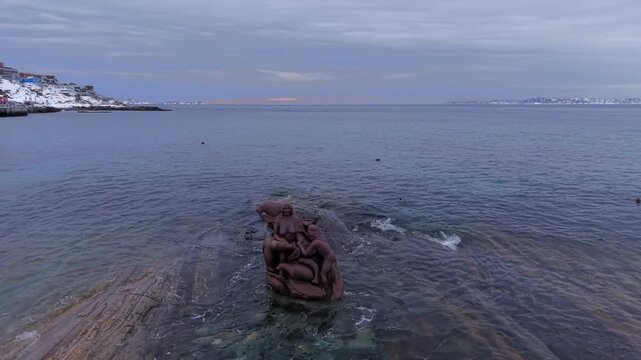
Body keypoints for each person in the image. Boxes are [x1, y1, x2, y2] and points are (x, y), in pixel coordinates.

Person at [297, 224, 337, 288]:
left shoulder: (315, 242)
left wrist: (300, 245)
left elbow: (306, 253)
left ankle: (325, 290)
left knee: (323, 274)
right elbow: (310, 237)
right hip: (333, 255)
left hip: (328, 258)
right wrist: (303, 232)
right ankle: (332, 286)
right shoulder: (321, 236)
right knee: (333, 272)